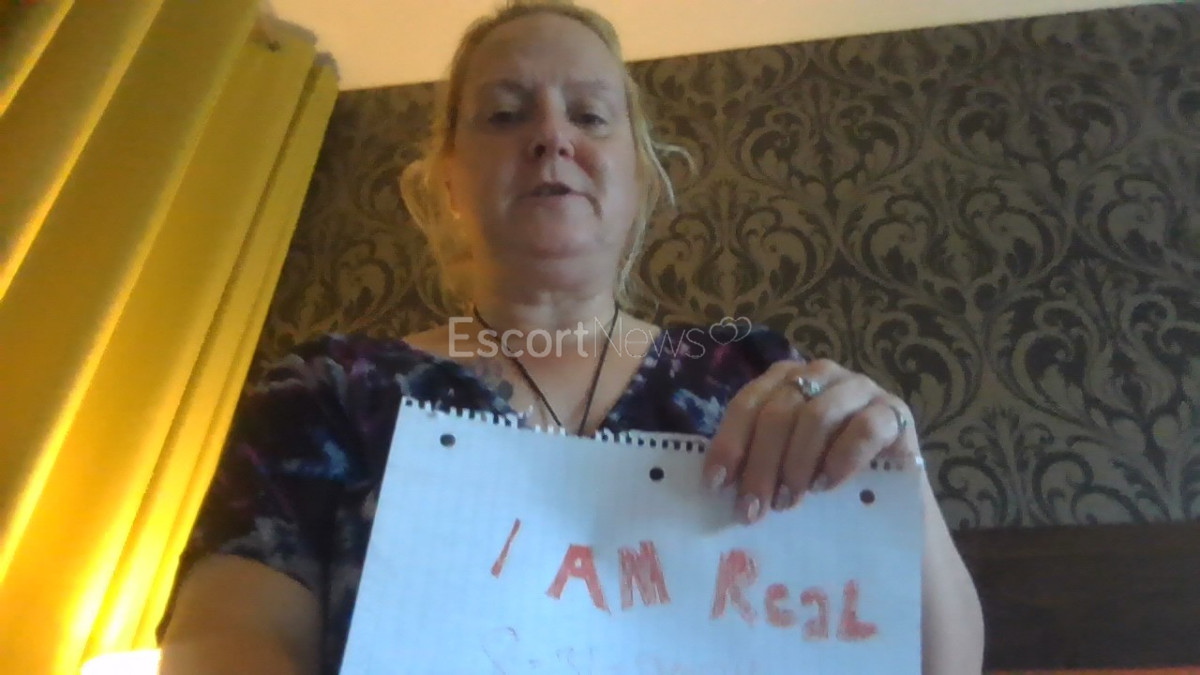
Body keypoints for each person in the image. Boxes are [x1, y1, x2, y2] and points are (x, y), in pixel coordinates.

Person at [156, 1, 986, 673]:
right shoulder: (330, 389)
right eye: (504, 114)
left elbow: (934, 661)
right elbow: (226, 635)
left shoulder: (754, 372)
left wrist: (895, 467)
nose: (552, 136)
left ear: (640, 177)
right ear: (449, 179)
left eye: (590, 114)